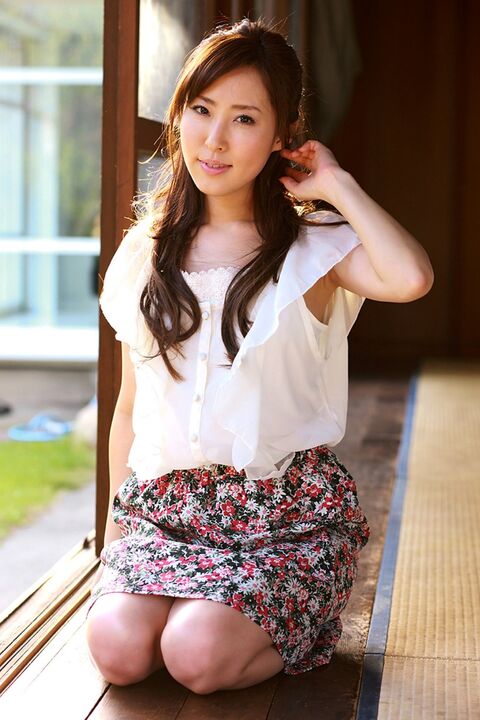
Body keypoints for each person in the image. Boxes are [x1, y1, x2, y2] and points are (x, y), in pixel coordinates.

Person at [85, 18, 434, 694]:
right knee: (117, 650)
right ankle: (193, 606)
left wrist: (337, 184)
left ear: (280, 136)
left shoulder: (313, 248)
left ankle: (302, 618)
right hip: (168, 512)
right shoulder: (144, 251)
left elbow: (411, 277)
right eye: (201, 109)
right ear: (180, 113)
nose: (214, 139)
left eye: (243, 119)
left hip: (283, 521)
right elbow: (131, 409)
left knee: (195, 654)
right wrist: (115, 541)